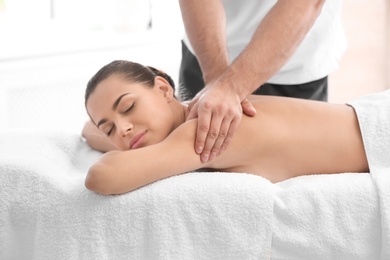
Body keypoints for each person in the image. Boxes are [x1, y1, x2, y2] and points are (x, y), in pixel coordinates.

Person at [83, 60, 372, 195]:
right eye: (108, 128)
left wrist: (117, 138)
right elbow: (88, 129)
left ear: (162, 89)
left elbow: (102, 177)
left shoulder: (207, 127)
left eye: (128, 108)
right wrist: (124, 133)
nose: (122, 129)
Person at [178, 0, 347, 163]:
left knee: (294, 173)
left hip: (293, 66)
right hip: (206, 50)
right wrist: (216, 81)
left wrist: (230, 88)